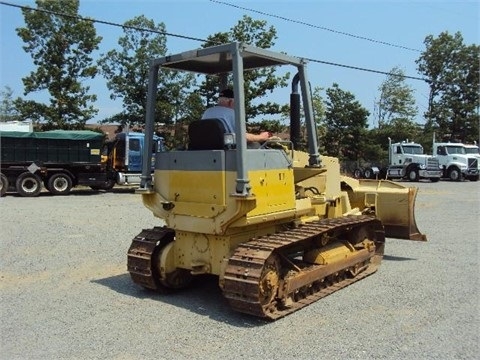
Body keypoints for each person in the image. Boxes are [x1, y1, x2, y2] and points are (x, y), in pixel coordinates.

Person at [201, 89, 271, 143]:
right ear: (230, 102)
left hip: (204, 149)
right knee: (255, 145)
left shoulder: (207, 112)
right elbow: (243, 137)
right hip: (227, 152)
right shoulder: (233, 113)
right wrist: (261, 137)